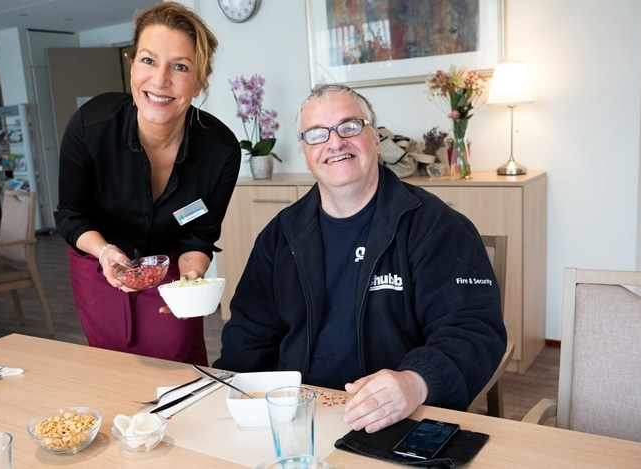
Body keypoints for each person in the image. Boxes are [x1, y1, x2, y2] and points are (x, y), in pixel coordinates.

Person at [214, 84, 506, 433]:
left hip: (397, 417)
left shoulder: (437, 227)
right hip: (295, 414)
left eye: (350, 126)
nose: (335, 143)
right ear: (307, 154)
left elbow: (473, 331)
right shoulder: (280, 236)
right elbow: (249, 333)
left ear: (376, 139)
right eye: (317, 134)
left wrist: (416, 382)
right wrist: (232, 397)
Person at [55, 2, 241, 366]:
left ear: (201, 78)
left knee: (178, 366)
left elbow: (199, 235)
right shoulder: (90, 127)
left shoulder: (221, 150)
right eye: (148, 60)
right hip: (98, 263)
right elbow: (71, 216)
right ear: (132, 64)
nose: (159, 81)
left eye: (181, 67)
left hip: (170, 268)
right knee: (111, 368)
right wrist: (106, 253)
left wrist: (191, 278)